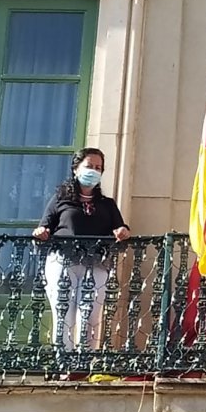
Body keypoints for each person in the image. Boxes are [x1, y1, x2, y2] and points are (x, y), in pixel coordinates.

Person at [32, 148, 131, 353]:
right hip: (62, 262)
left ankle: (83, 365)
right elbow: (44, 226)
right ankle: (63, 363)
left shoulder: (107, 204)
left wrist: (123, 231)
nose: (94, 171)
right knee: (63, 314)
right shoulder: (60, 199)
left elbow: (121, 228)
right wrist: (41, 231)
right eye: (89, 166)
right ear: (76, 169)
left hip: (96, 265)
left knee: (90, 315)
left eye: (98, 168)